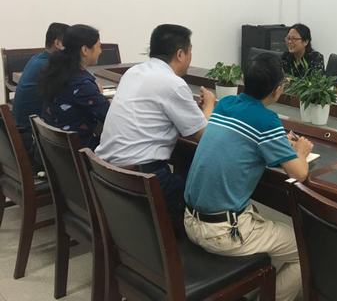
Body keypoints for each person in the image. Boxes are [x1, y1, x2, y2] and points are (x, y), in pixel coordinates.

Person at [184, 53, 313, 301]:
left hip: (191, 221)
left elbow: (222, 134)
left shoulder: (226, 104)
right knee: (305, 248)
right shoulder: (267, 120)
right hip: (222, 232)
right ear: (278, 89)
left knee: (272, 229)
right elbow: (300, 173)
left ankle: (259, 288)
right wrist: (301, 152)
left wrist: (278, 142)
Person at [95, 24, 215, 230]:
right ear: (180, 54)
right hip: (142, 181)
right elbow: (204, 137)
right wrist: (209, 105)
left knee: (186, 172)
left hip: (108, 175)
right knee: (211, 197)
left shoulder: (133, 72)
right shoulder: (172, 83)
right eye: (190, 51)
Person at [40, 24, 110, 150]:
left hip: (56, 151)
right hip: (80, 152)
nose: (101, 51)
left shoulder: (57, 72)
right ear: (85, 50)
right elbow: (110, 116)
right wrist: (99, 95)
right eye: (98, 46)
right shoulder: (82, 84)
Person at [12, 22, 69, 170]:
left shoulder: (37, 59)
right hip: (32, 141)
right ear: (58, 43)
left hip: (21, 135)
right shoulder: (49, 67)